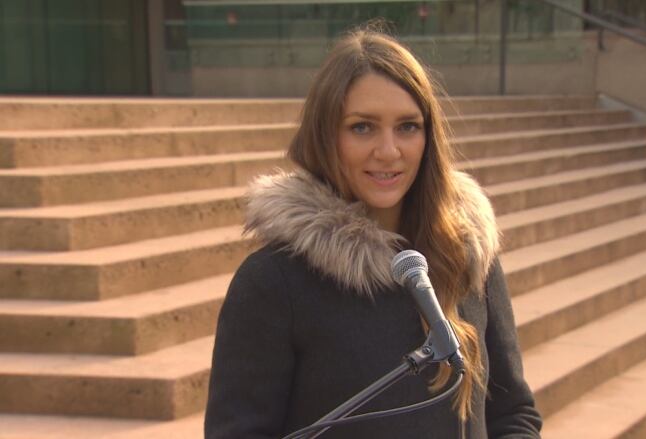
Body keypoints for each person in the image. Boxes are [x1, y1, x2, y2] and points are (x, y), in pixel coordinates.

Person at [204, 26, 543, 439]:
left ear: (428, 136)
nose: (388, 151)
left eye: (407, 127)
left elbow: (513, 414)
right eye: (362, 127)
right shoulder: (273, 283)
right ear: (325, 136)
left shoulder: (467, 253)